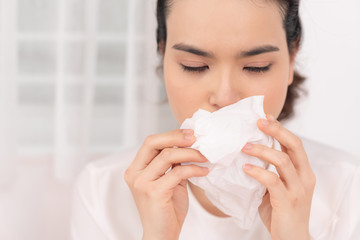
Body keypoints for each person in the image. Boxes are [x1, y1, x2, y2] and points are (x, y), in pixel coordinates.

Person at [70, 0, 360, 239]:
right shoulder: (102, 190)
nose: (225, 97)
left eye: (256, 67)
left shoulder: (346, 187)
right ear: (163, 55)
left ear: (291, 59)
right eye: (194, 67)